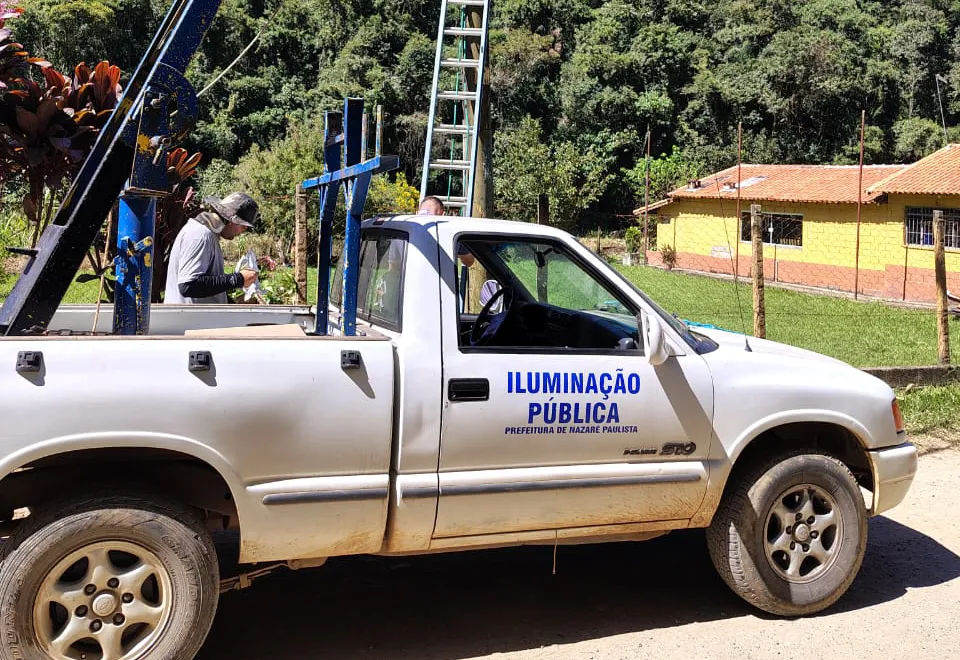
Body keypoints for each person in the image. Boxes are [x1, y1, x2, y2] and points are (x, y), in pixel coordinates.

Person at [164, 191, 260, 304]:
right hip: (188, 319)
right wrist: (238, 279)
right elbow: (188, 286)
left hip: (197, 318)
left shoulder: (208, 234)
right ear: (231, 220)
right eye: (243, 226)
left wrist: (231, 304)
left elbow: (207, 286)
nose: (243, 232)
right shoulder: (200, 235)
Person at [417, 196, 475, 267]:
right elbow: (469, 262)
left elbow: (469, 261)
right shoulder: (451, 236)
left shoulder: (406, 233)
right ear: (443, 215)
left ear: (417, 213)